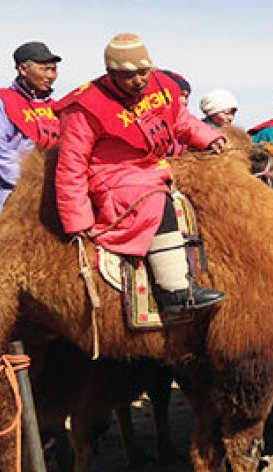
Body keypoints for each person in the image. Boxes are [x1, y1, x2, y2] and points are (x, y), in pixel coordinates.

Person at [55, 33, 226, 313]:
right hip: (115, 178)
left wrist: (209, 137)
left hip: (153, 166)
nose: (139, 81)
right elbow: (71, 164)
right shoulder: (84, 107)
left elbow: (180, 120)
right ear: (110, 73)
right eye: (129, 76)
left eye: (144, 72)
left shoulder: (161, 85)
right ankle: (175, 292)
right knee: (154, 202)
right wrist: (77, 221)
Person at [0, 41, 62, 241]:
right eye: (44, 69)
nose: (50, 75)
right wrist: (30, 182)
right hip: (10, 186)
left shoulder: (57, 107)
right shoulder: (1, 103)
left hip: (55, 185)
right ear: (23, 69)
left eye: (53, 69)